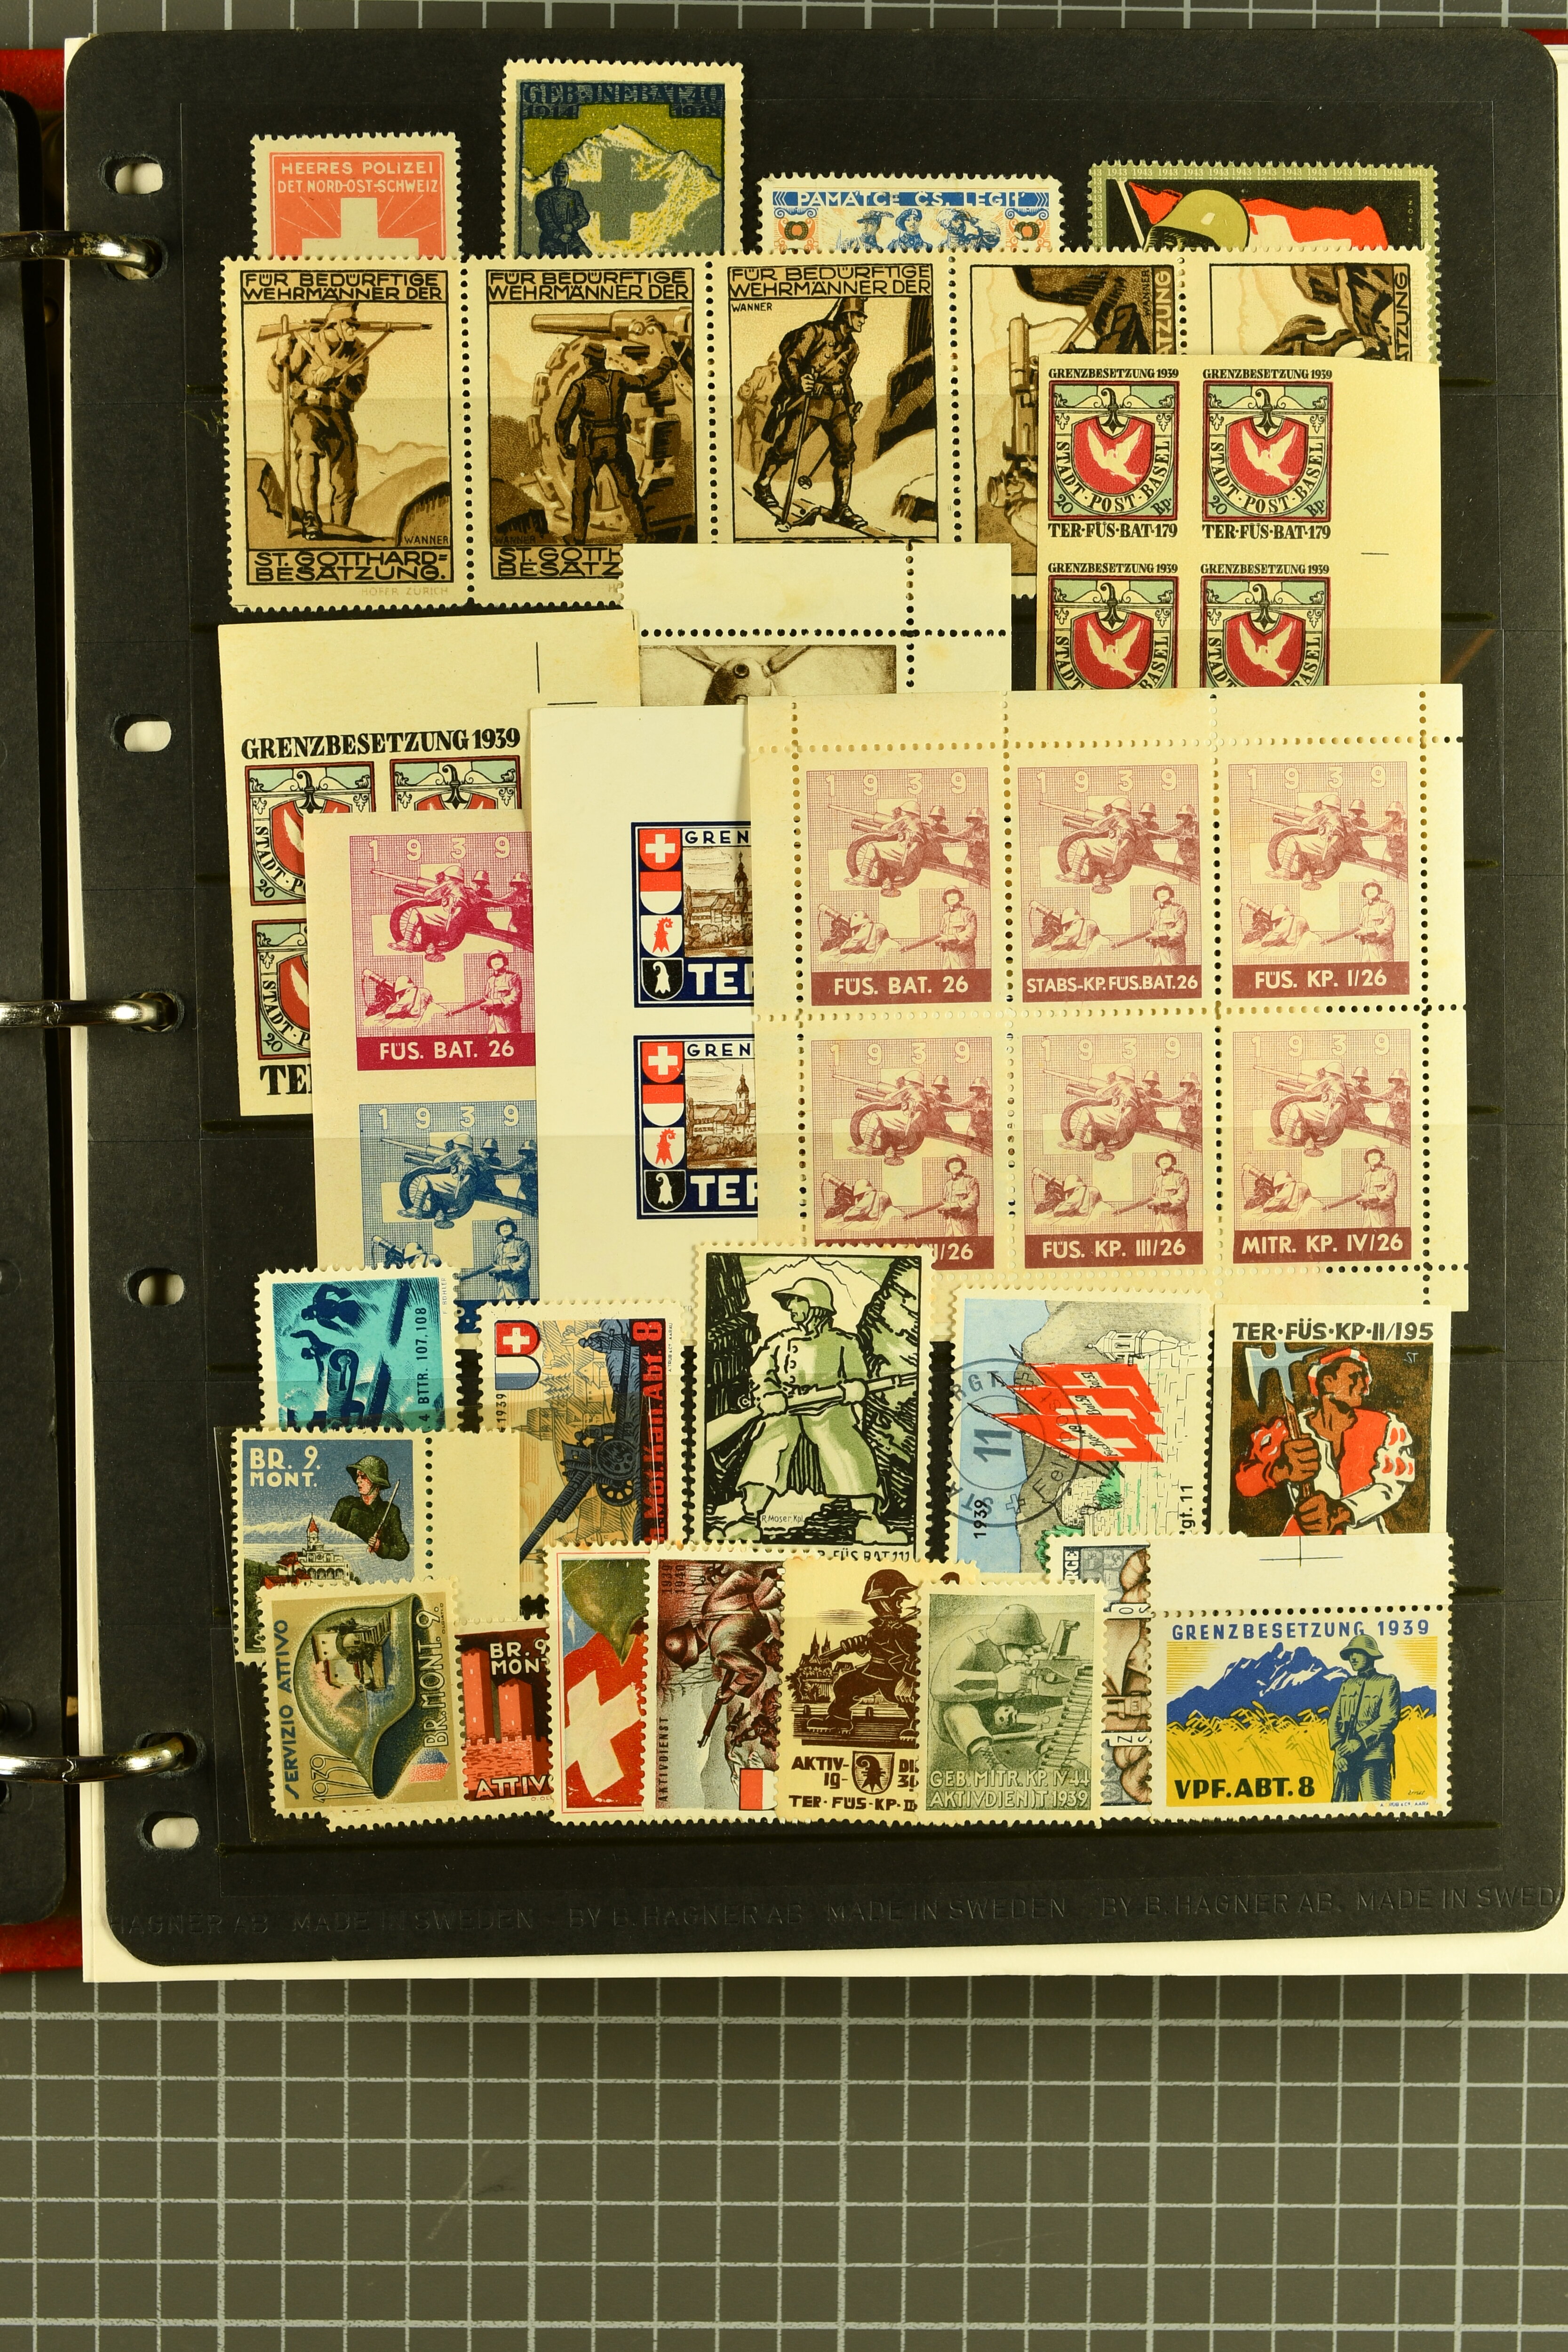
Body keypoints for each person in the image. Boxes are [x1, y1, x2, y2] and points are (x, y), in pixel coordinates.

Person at [715, 1278, 889, 1542]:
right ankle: (750, 1519)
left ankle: (867, 1520)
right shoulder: (780, 1342)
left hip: (829, 1409)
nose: (791, 1307)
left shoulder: (844, 1342)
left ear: (816, 1306)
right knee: (769, 1443)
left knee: (847, 1447)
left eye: (797, 1301)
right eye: (791, 1302)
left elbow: (858, 1378)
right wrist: (769, 1394)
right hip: (786, 1410)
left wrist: (855, 1388)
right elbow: (761, 1373)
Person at [1234, 1345, 1416, 1534]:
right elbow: (1244, 1483)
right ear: (1327, 1382)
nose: (1364, 1385)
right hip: (1304, 1540)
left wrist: (1339, 1513)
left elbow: (1392, 1485)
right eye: (1354, 1377)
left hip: (1366, 1539)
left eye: (1364, 1378)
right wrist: (1281, 1471)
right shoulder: (1288, 1430)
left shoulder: (1386, 1426)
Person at [751, 295, 868, 531]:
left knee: (846, 453)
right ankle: (763, 485)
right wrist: (799, 381)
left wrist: (850, 404)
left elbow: (845, 380)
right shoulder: (815, 332)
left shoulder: (852, 348)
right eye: (860, 316)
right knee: (788, 446)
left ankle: (841, 508)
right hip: (810, 402)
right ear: (848, 316)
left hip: (837, 405)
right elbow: (790, 360)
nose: (863, 321)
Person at [555, 339, 679, 543]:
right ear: (602, 360)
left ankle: (577, 537)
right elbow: (646, 382)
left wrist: (564, 444)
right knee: (629, 491)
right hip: (616, 444)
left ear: (587, 361)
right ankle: (643, 534)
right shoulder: (618, 378)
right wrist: (665, 366)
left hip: (590, 446)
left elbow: (563, 420)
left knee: (582, 492)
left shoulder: (580, 386)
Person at [269, 303, 369, 538]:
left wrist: (336, 373)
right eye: (350, 325)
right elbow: (277, 383)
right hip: (307, 410)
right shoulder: (306, 342)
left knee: (347, 475)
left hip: (338, 413)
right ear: (336, 324)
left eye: (355, 325)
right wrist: (279, 358)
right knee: (308, 450)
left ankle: (341, 527)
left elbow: (357, 389)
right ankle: (310, 518)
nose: (354, 330)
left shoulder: (357, 350)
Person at [822, 1569, 919, 1736]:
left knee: (905, 1698)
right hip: (873, 1672)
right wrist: (851, 1646)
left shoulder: (905, 1631)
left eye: (900, 1600)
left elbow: (915, 1656)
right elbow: (870, 1644)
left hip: (894, 1675)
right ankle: (839, 1719)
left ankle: (916, 1724)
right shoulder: (878, 1629)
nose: (901, 1604)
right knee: (844, 1685)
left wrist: (908, 1681)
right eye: (898, 1599)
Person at [1328, 1635, 1402, 1801]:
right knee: (1341, 1810)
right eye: (1351, 1654)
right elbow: (1334, 1721)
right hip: (1346, 1760)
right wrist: (1339, 1751)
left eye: (1358, 1653)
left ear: (1370, 1655)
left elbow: (1389, 1718)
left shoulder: (1388, 1683)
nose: (1353, 1658)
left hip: (1374, 1758)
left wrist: (1359, 1741)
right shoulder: (1347, 1685)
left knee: (1376, 1808)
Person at [329, 1454, 409, 1562]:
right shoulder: (345, 1505)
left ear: (377, 1482)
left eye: (363, 1477)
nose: (358, 1481)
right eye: (358, 1476)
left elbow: (403, 1550)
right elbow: (330, 1536)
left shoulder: (391, 1511)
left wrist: (380, 1547)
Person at [455, 950, 525, 1036]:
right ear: (490, 963)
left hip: (509, 1026)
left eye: (499, 958)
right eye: (493, 958)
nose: (497, 960)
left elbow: (515, 998)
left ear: (505, 961)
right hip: (493, 1025)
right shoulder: (491, 980)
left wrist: (493, 1002)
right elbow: (486, 999)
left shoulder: (512, 977)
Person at [533, 157, 591, 257]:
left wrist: (572, 226)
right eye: (558, 176)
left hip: (573, 241)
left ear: (568, 176)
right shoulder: (544, 197)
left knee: (589, 258)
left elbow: (584, 216)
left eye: (563, 176)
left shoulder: (574, 196)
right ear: (553, 177)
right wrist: (559, 235)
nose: (561, 180)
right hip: (551, 241)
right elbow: (545, 222)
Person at [909, 886, 979, 969]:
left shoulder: (968, 913)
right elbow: (942, 934)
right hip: (948, 961)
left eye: (955, 893)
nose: (952, 896)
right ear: (945, 898)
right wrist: (938, 941)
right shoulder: (946, 915)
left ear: (960, 896)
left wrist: (948, 939)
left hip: (964, 962)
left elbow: (971, 934)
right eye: (949, 894)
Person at [486, 1218, 533, 1303]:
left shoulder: (522, 1244)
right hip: (501, 1293)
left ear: (513, 1228)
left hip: (518, 1293)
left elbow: (524, 1265)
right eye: (502, 1225)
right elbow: (496, 1265)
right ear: (499, 1230)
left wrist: (501, 1269)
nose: (505, 1227)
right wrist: (493, 1272)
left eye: (508, 1224)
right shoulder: (499, 1247)